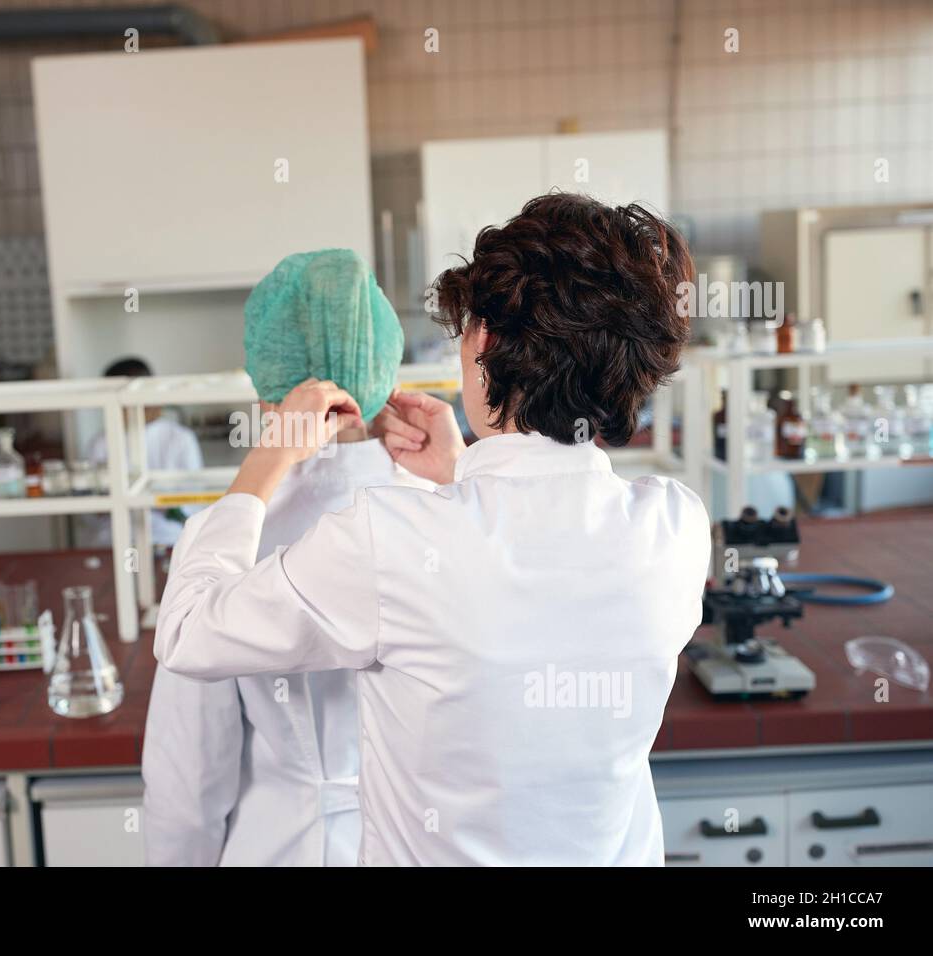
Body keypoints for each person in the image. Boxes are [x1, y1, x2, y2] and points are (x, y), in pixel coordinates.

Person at [154, 194, 711, 866]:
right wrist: (460, 474)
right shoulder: (675, 527)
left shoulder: (390, 538)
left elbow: (188, 632)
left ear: (486, 338)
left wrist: (266, 459)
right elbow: (529, 579)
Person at [142, 249, 430, 866]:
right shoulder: (447, 514)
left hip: (277, 846)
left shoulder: (227, 538)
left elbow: (187, 780)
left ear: (268, 387)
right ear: (385, 369)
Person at [83, 357, 202, 548]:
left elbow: (196, 500)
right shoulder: (101, 442)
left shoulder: (180, 438)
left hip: (169, 539)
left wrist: (166, 504)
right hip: (115, 541)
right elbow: (93, 508)